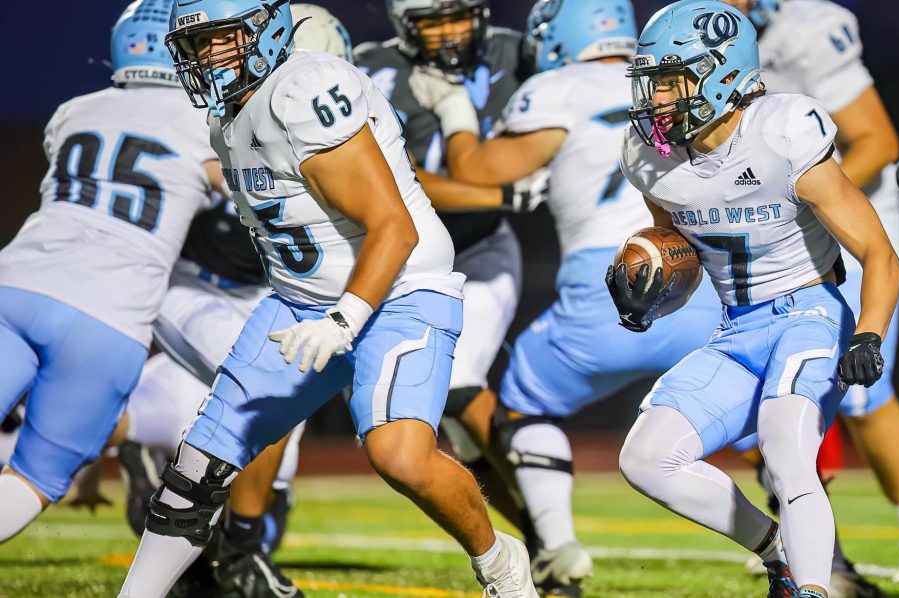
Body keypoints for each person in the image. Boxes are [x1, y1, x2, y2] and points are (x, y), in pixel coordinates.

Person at [117, 1, 538, 597]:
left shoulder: (304, 91)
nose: (208, 54)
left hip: (399, 291)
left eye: (222, 38)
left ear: (264, 30)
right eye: (198, 43)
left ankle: (500, 561)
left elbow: (394, 225)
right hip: (298, 301)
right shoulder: (226, 119)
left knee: (400, 456)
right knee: (198, 465)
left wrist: (345, 317)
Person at [408, 0, 721, 593]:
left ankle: (556, 546)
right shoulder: (681, 78)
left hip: (608, 284)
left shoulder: (556, 87)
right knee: (762, 412)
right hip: (699, 278)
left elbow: (474, 170)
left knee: (523, 407)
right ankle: (809, 553)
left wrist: (454, 111)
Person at [615, 2, 899, 597]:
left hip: (811, 311)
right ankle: (779, 554)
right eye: (653, 81)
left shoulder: (782, 132)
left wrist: (869, 333)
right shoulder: (651, 157)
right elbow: (682, 254)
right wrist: (653, 288)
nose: (657, 98)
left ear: (722, 74)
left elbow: (879, 252)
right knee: (645, 457)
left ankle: (815, 590)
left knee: (784, 442)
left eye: (671, 80)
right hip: (736, 328)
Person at [118, 6, 353, 595]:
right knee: (272, 395)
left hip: (262, 296)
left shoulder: (322, 119)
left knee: (267, 440)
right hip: (194, 286)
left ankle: (220, 542)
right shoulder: (206, 118)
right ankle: (241, 549)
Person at [719, 0, 899, 588]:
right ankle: (805, 530)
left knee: (864, 391)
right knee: (758, 386)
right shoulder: (695, 36)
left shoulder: (806, 29)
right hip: (768, 224)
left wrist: (803, 193)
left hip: (842, 213)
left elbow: (877, 139)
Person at [0, 0, 221, 543]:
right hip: (109, 317)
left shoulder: (76, 110)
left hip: (16, 284)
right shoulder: (209, 126)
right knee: (36, 475)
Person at [355, 0, 531, 495]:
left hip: (480, 247)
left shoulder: (515, 53)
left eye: (460, 17)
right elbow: (398, 180)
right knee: (442, 422)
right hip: (403, 258)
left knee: (457, 387)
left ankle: (548, 524)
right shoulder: (370, 71)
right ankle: (535, 532)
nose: (451, 33)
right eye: (434, 23)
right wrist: (505, 193)